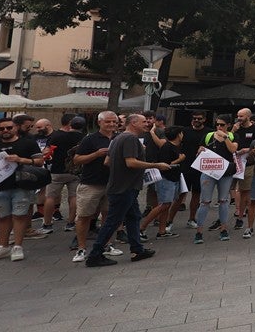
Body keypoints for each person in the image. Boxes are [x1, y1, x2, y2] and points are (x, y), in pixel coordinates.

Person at [86, 113, 171, 267]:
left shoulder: (117, 138)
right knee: (113, 221)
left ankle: (137, 249)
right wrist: (156, 165)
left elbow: (107, 161)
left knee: (133, 217)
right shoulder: (130, 139)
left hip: (124, 186)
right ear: (133, 123)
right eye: (143, 122)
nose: (147, 124)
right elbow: (131, 163)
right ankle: (95, 254)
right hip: (123, 188)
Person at [0, 117, 45, 263]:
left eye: (9, 128)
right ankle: (3, 246)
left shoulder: (27, 142)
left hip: (22, 185)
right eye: (2, 129)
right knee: (3, 217)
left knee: (19, 216)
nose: (5, 131)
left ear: (15, 128)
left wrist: (21, 160)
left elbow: (40, 162)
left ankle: (17, 246)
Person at [71, 111, 122, 263]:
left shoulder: (119, 138)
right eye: (108, 122)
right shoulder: (90, 139)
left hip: (112, 183)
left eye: (114, 122)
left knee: (109, 216)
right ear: (99, 123)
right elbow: (77, 160)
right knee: (84, 216)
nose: (112, 125)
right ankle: (81, 248)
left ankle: (108, 244)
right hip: (91, 183)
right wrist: (96, 154)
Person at [193, 115, 238, 243]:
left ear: (228, 125)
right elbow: (199, 152)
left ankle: (223, 229)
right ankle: (199, 231)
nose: (219, 127)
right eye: (217, 124)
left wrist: (225, 137)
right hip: (209, 171)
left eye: (222, 125)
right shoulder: (208, 136)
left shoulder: (233, 136)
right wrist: (200, 151)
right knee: (205, 201)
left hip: (226, 172)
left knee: (223, 200)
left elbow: (233, 149)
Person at [40, 115, 86, 236]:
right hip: (75, 171)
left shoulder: (57, 136)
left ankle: (47, 224)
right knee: (73, 197)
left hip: (57, 170)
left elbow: (47, 151)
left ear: (70, 124)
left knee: (50, 197)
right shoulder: (84, 138)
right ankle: (70, 223)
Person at [141, 127, 185, 239]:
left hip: (174, 178)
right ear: (179, 134)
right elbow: (163, 165)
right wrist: (178, 160)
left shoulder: (177, 146)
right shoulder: (167, 147)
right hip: (166, 179)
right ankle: (141, 228)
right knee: (163, 204)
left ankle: (162, 231)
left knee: (167, 204)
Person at [180, 111, 210, 229]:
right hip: (185, 166)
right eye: (194, 118)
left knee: (196, 194)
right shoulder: (185, 131)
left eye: (199, 118)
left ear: (204, 119)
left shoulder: (208, 132)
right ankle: (169, 220)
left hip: (200, 168)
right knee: (180, 194)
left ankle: (192, 218)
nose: (196, 120)